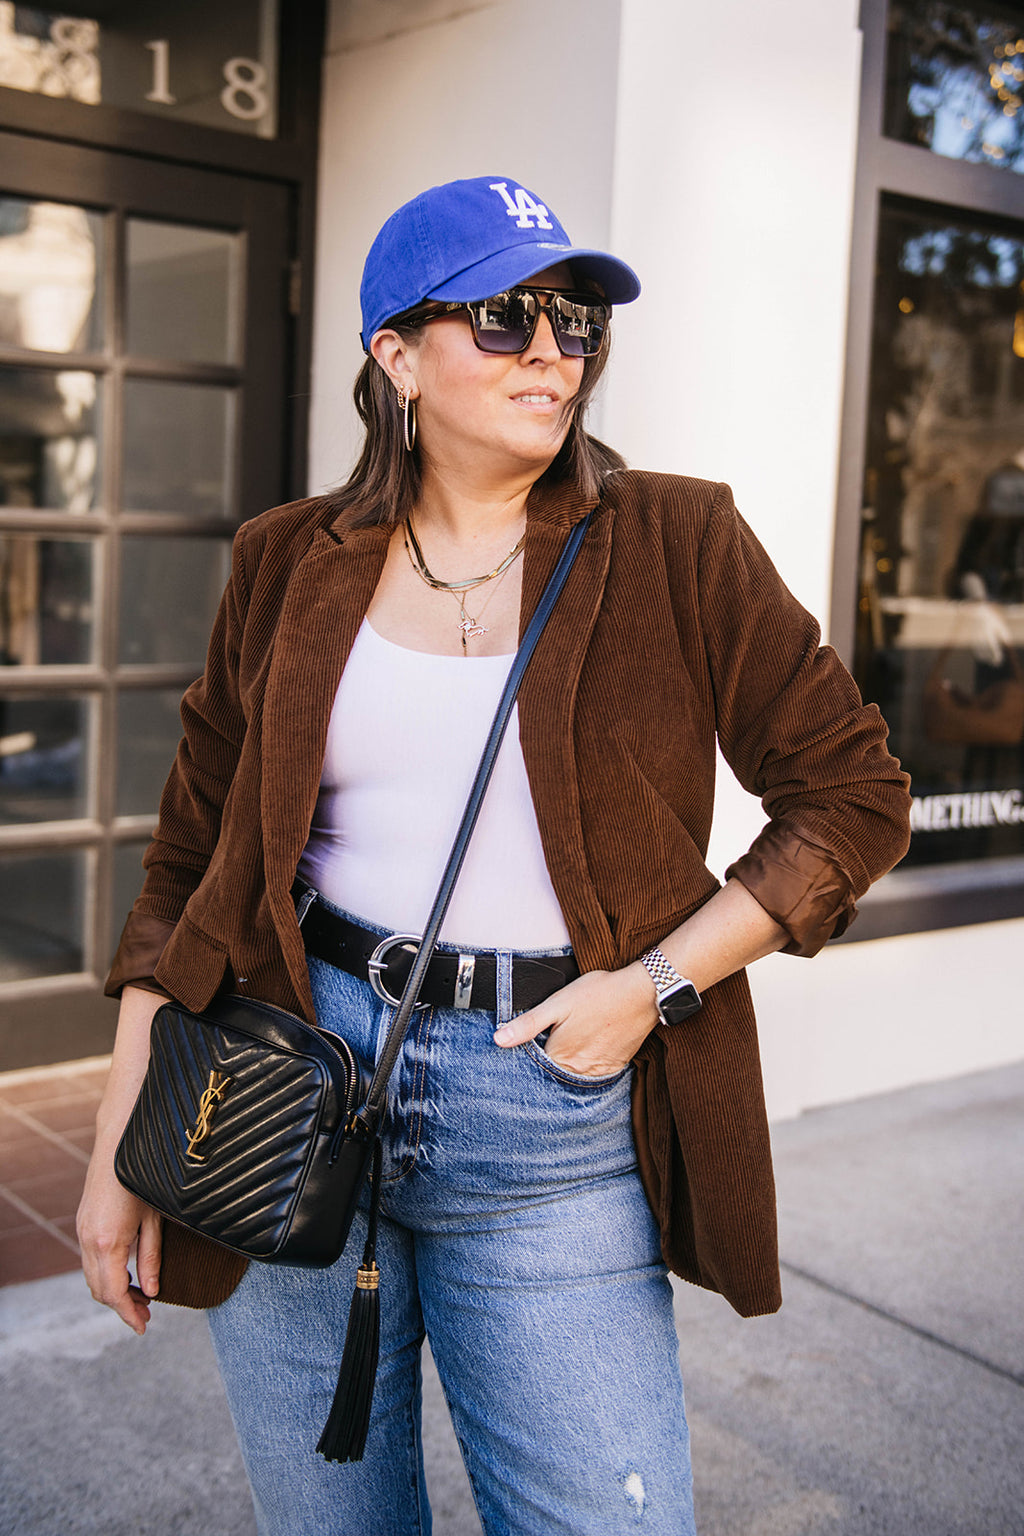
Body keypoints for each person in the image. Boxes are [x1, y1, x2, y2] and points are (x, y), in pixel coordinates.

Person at [78, 176, 911, 1536]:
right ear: (394, 356)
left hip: (551, 1114)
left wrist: (654, 985)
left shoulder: (678, 543)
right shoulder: (287, 561)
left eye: (575, 321)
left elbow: (853, 795)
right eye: (507, 315)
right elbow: (189, 862)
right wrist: (123, 1142)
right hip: (289, 1079)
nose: (551, 350)